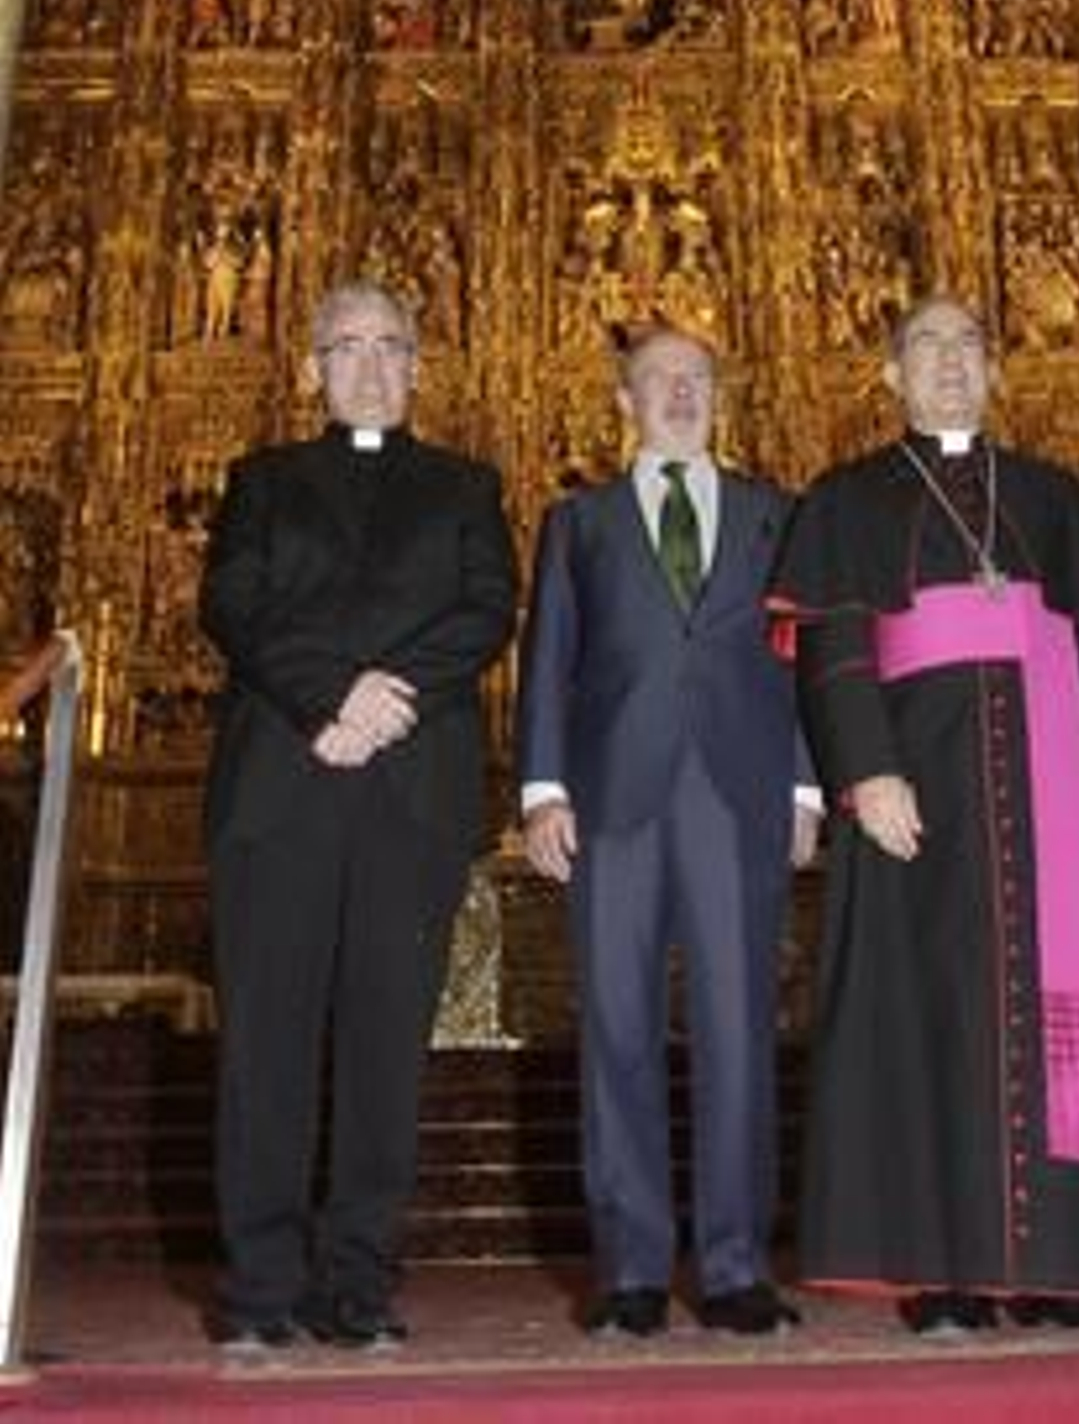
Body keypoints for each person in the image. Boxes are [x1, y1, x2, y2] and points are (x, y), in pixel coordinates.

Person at [769, 296, 1079, 1335]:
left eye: (967, 346)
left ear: (994, 369)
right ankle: (942, 1269)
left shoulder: (1051, 494)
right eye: (925, 347)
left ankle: (1078, 1260)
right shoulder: (846, 498)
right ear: (889, 374)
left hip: (1053, 782)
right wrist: (865, 773)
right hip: (918, 798)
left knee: (1075, 1015)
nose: (947, 364)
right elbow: (835, 646)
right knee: (926, 1015)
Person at [199, 280, 518, 1353]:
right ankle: (259, 1286)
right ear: (311, 367)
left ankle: (359, 1283)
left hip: (408, 790)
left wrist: (382, 702)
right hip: (282, 788)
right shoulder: (264, 480)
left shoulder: (465, 484)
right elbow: (234, 602)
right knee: (267, 1044)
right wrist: (328, 693)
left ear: (420, 364)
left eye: (393, 344)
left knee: (386, 1046)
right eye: (348, 345)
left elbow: (485, 607)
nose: (372, 363)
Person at [516, 325, 818, 1338]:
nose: (680, 392)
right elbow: (548, 655)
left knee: (739, 1030)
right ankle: (632, 1266)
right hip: (614, 796)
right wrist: (542, 788)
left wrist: (809, 790)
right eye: (660, 379)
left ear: (719, 394)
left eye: (697, 377)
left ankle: (735, 1263)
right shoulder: (580, 521)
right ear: (625, 401)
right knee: (616, 1029)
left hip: (740, 790)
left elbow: (801, 658)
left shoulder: (775, 513)